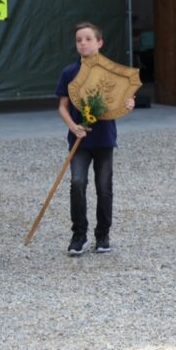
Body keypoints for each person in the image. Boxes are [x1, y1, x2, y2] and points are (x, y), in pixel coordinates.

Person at [55, 22, 136, 256]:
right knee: (78, 183)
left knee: (104, 187)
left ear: (99, 43)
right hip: (79, 139)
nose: (83, 43)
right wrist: (74, 127)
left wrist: (128, 103)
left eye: (88, 39)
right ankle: (78, 236)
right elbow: (62, 106)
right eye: (79, 40)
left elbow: (123, 100)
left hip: (104, 138)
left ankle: (102, 236)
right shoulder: (69, 73)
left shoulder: (111, 72)